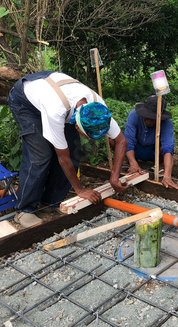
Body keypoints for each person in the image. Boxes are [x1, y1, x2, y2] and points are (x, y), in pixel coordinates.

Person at [7, 70, 129, 228]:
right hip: (26, 102)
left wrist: (114, 177)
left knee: (73, 150)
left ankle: (51, 200)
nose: (88, 140)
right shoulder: (56, 110)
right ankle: (24, 210)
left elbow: (121, 141)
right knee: (40, 155)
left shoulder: (98, 110)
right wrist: (80, 189)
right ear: (77, 124)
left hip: (56, 94)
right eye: (86, 135)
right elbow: (62, 158)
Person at [124, 95, 178, 189]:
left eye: (153, 118)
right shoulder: (134, 115)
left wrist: (167, 176)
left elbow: (168, 147)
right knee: (115, 141)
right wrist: (133, 163)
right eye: (147, 117)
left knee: (165, 148)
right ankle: (132, 162)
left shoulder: (166, 122)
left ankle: (161, 166)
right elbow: (129, 141)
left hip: (154, 151)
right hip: (137, 148)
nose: (149, 121)